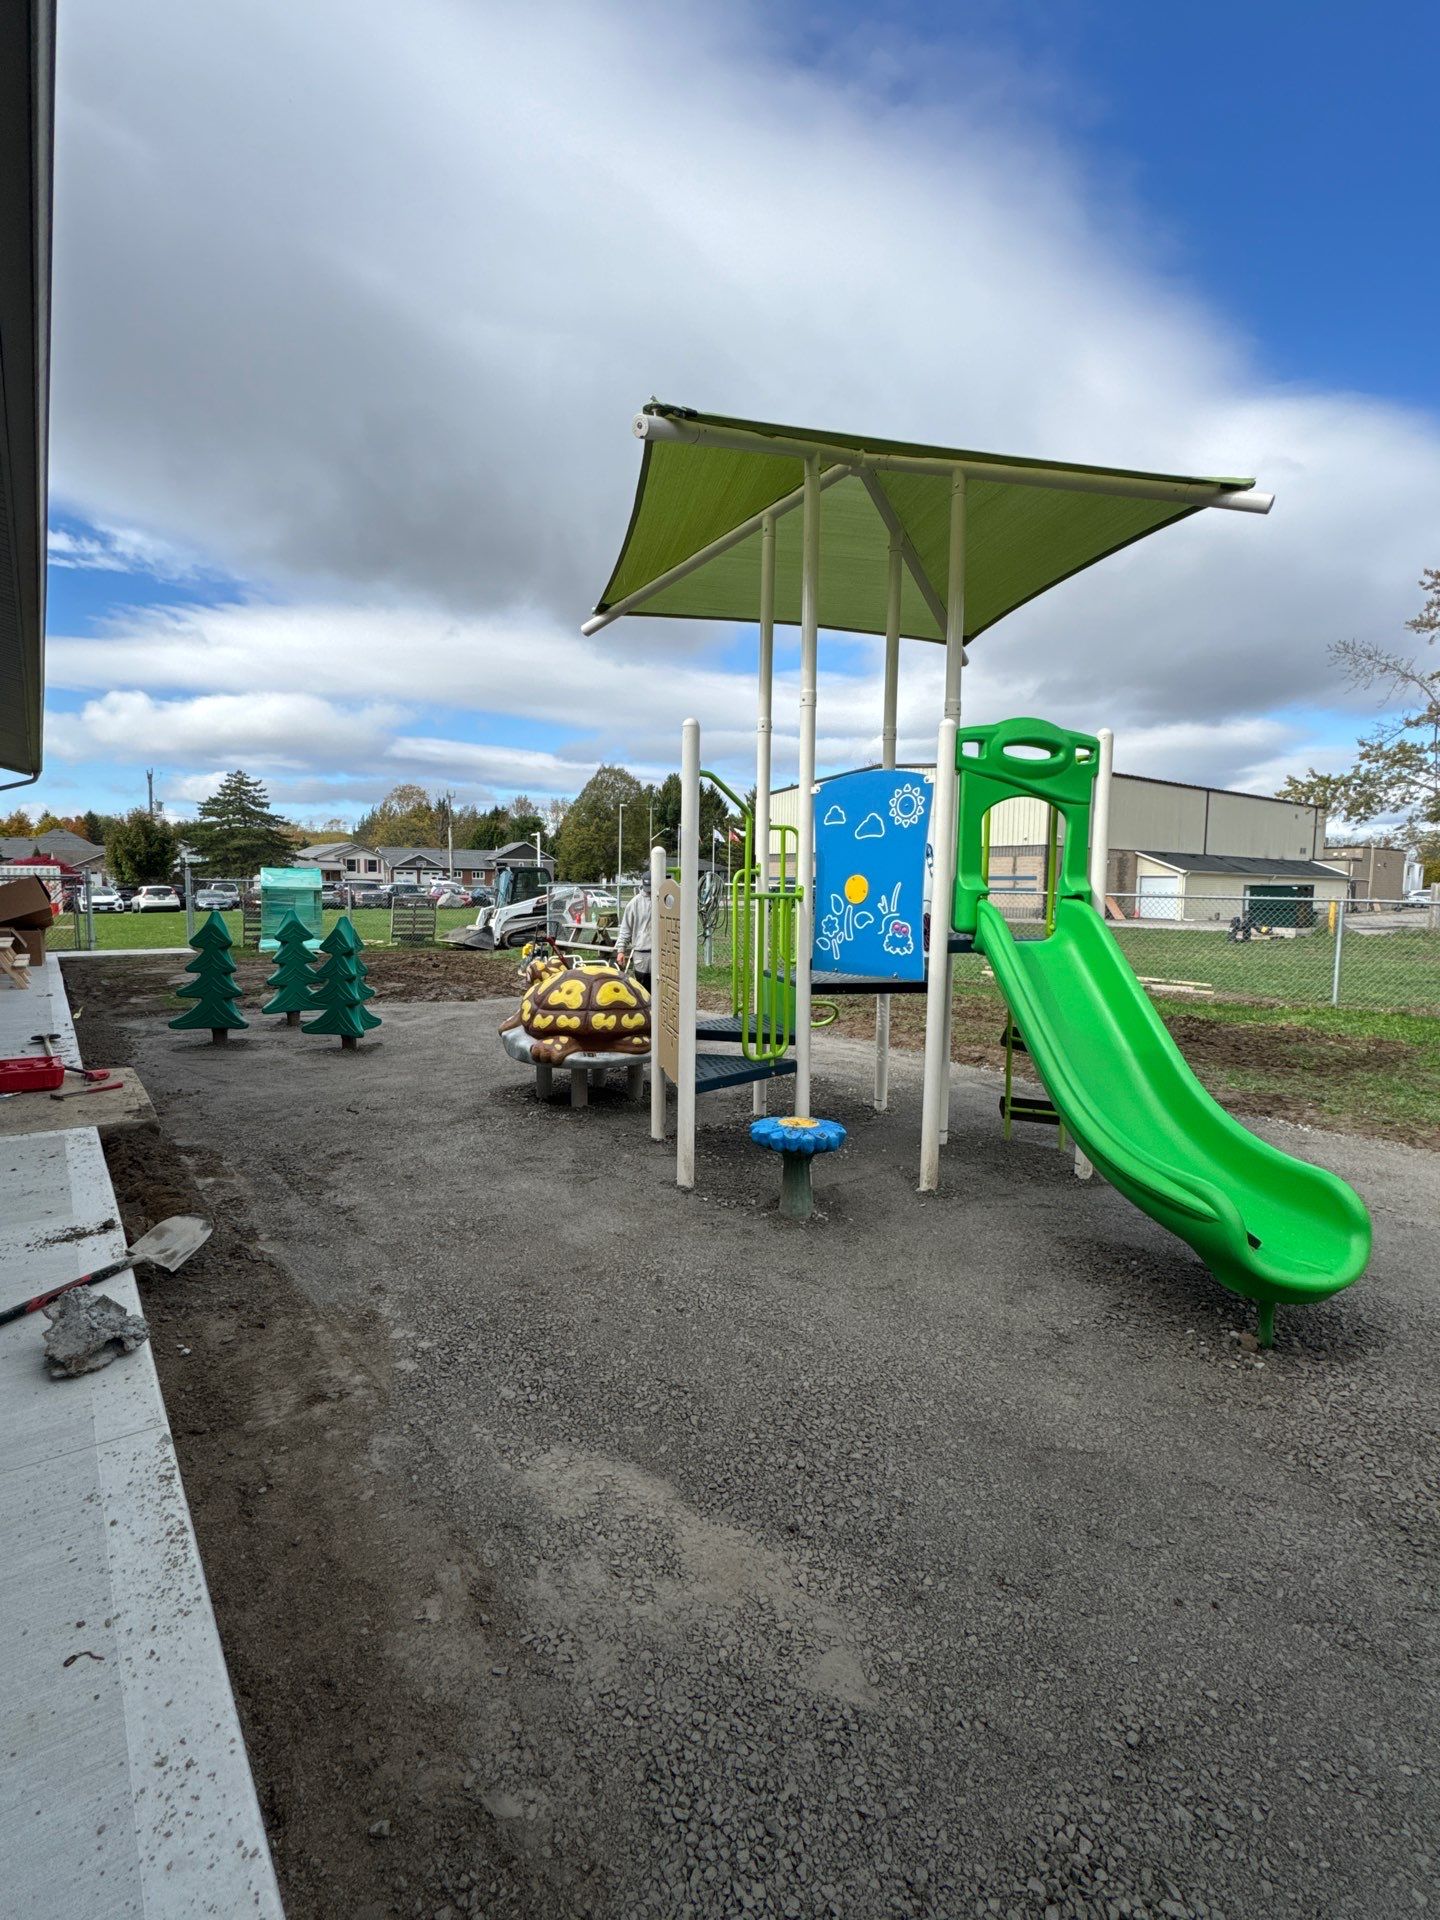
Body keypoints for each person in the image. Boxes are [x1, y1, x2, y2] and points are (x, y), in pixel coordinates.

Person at [615, 877, 653, 987]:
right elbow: (625, 928)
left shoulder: (666, 899)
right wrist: (621, 950)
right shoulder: (634, 903)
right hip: (642, 953)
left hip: (662, 953)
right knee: (643, 988)